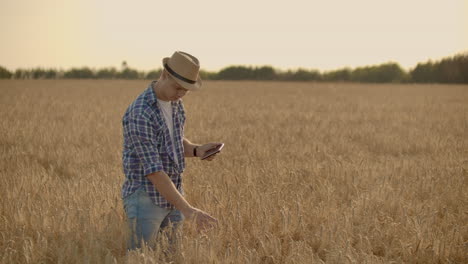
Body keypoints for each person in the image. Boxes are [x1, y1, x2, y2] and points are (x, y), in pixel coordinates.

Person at [121, 51, 220, 250]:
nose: (181, 94)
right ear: (164, 74)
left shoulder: (176, 104)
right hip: (146, 197)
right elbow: (154, 171)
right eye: (177, 88)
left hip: (173, 194)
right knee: (142, 258)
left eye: (186, 90)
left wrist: (196, 150)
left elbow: (172, 141)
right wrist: (189, 210)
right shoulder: (141, 113)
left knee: (172, 256)